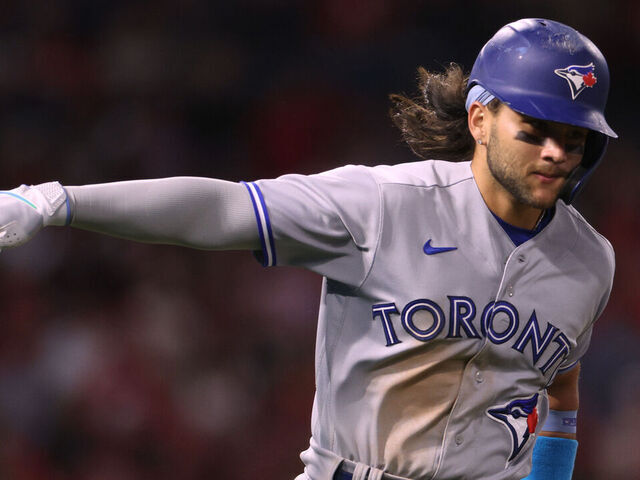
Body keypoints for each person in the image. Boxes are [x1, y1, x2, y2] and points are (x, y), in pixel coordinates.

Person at [0, 18, 616, 480]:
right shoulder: (382, 203)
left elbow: (558, 391)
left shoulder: (591, 262)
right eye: (533, 130)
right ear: (480, 120)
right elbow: (225, 208)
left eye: (574, 138)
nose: (556, 153)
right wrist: (58, 200)